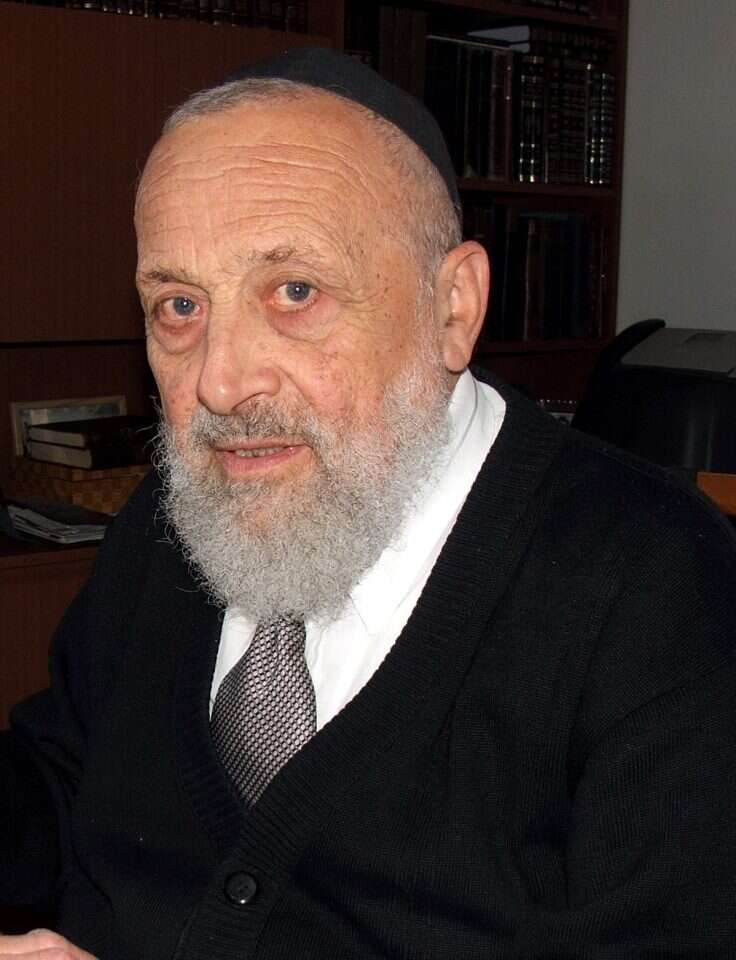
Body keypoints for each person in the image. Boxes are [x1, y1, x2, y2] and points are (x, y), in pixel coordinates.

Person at [1, 47, 736, 960]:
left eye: (295, 292)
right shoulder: (173, 517)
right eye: (180, 307)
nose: (220, 382)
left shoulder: (664, 590)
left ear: (453, 307)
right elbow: (59, 781)